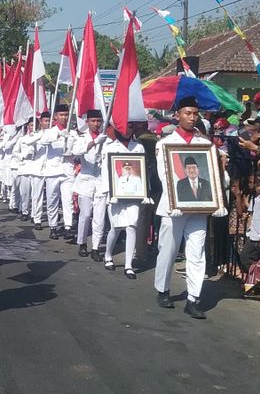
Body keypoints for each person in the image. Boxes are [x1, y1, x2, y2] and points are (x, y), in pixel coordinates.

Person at [154, 96, 228, 319]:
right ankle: (163, 289)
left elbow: (214, 175)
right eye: (187, 113)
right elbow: (164, 176)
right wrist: (173, 201)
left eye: (195, 113)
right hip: (173, 207)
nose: (192, 117)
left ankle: (193, 298)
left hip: (198, 208)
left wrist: (218, 201)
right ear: (177, 115)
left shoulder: (204, 145)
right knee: (168, 250)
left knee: (197, 253)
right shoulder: (165, 144)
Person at [103, 122, 153, 279]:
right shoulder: (110, 147)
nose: (127, 131)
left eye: (130, 128)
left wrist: (146, 192)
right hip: (116, 193)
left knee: (132, 226)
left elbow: (143, 169)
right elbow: (105, 171)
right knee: (116, 228)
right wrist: (109, 192)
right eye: (124, 128)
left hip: (134, 194)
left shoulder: (138, 147)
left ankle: (128, 265)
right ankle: (108, 255)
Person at [37, 104, 78, 240]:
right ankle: (53, 226)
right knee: (52, 200)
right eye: (61, 115)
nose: (64, 117)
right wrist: (58, 134)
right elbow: (43, 141)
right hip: (53, 171)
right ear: (55, 116)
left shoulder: (72, 133)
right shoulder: (50, 131)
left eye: (66, 115)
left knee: (68, 201)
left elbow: (77, 150)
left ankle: (68, 226)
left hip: (67, 170)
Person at [71, 109, 108, 260]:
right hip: (86, 180)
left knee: (99, 217)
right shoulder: (82, 138)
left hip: (101, 181)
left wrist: (102, 141)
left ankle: (95, 247)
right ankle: (82, 243)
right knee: (85, 215)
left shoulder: (106, 138)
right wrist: (93, 143)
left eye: (98, 121)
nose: (96, 124)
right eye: (93, 121)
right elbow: (76, 151)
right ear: (87, 122)